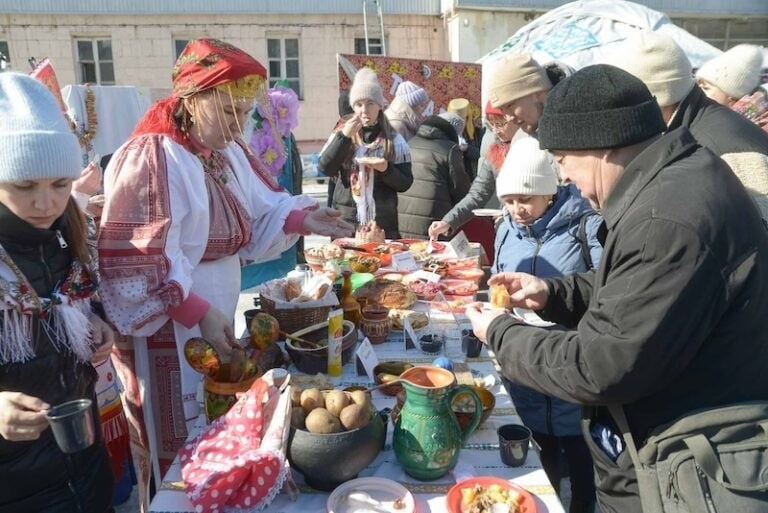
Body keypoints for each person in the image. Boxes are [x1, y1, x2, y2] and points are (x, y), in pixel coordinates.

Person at [465, 64, 768, 513]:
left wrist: (500, 332)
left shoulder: (666, 218)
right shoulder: (674, 182)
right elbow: (635, 287)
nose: (563, 177)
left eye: (563, 159)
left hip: (683, 465)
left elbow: (599, 365)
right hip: (668, 448)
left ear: (600, 146)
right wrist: (553, 293)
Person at [97, 39, 352, 507]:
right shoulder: (154, 156)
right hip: (168, 328)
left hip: (212, 313)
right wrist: (198, 312)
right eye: (229, 111)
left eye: (244, 113)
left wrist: (304, 219)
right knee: (176, 438)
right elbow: (139, 259)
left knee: (213, 422)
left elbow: (260, 209)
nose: (238, 126)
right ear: (193, 100)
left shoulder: (224, 152)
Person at [0, 73, 115, 512]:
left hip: (86, 468)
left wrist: (93, 320)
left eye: (60, 184)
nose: (45, 203)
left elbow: (72, 300)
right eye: (24, 186)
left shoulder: (68, 236)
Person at [493, 136, 600, 513]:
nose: (516, 210)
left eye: (525, 199)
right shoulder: (505, 229)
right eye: (509, 200)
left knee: (581, 451)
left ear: (549, 192)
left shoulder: (585, 226)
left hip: (571, 357)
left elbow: (606, 287)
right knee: (540, 450)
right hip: (525, 361)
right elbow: (498, 279)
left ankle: (583, 504)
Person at [608, 31, 768, 223]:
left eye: (624, 105)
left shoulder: (725, 148)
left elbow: (760, 226)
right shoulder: (689, 128)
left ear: (654, 99)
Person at [318, 67, 413, 239]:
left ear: (379, 106)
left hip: (382, 224)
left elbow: (405, 183)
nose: (364, 110)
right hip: (346, 222)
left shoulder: (393, 139)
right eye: (359, 104)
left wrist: (386, 170)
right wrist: (344, 137)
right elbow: (325, 168)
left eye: (370, 103)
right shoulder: (342, 133)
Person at [428, 101, 522, 241]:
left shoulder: (535, 147)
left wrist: (511, 213)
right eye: (492, 125)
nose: (495, 131)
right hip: (508, 229)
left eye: (500, 124)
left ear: (517, 119)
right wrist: (448, 221)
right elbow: (478, 193)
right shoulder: (495, 151)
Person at [397, 113, 471, 239]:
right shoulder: (451, 149)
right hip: (434, 224)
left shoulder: (409, 143)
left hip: (401, 221)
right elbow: (461, 191)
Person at [695, 44, 764, 107]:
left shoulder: (722, 116)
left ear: (731, 98)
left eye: (706, 88)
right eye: (697, 86)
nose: (697, 91)